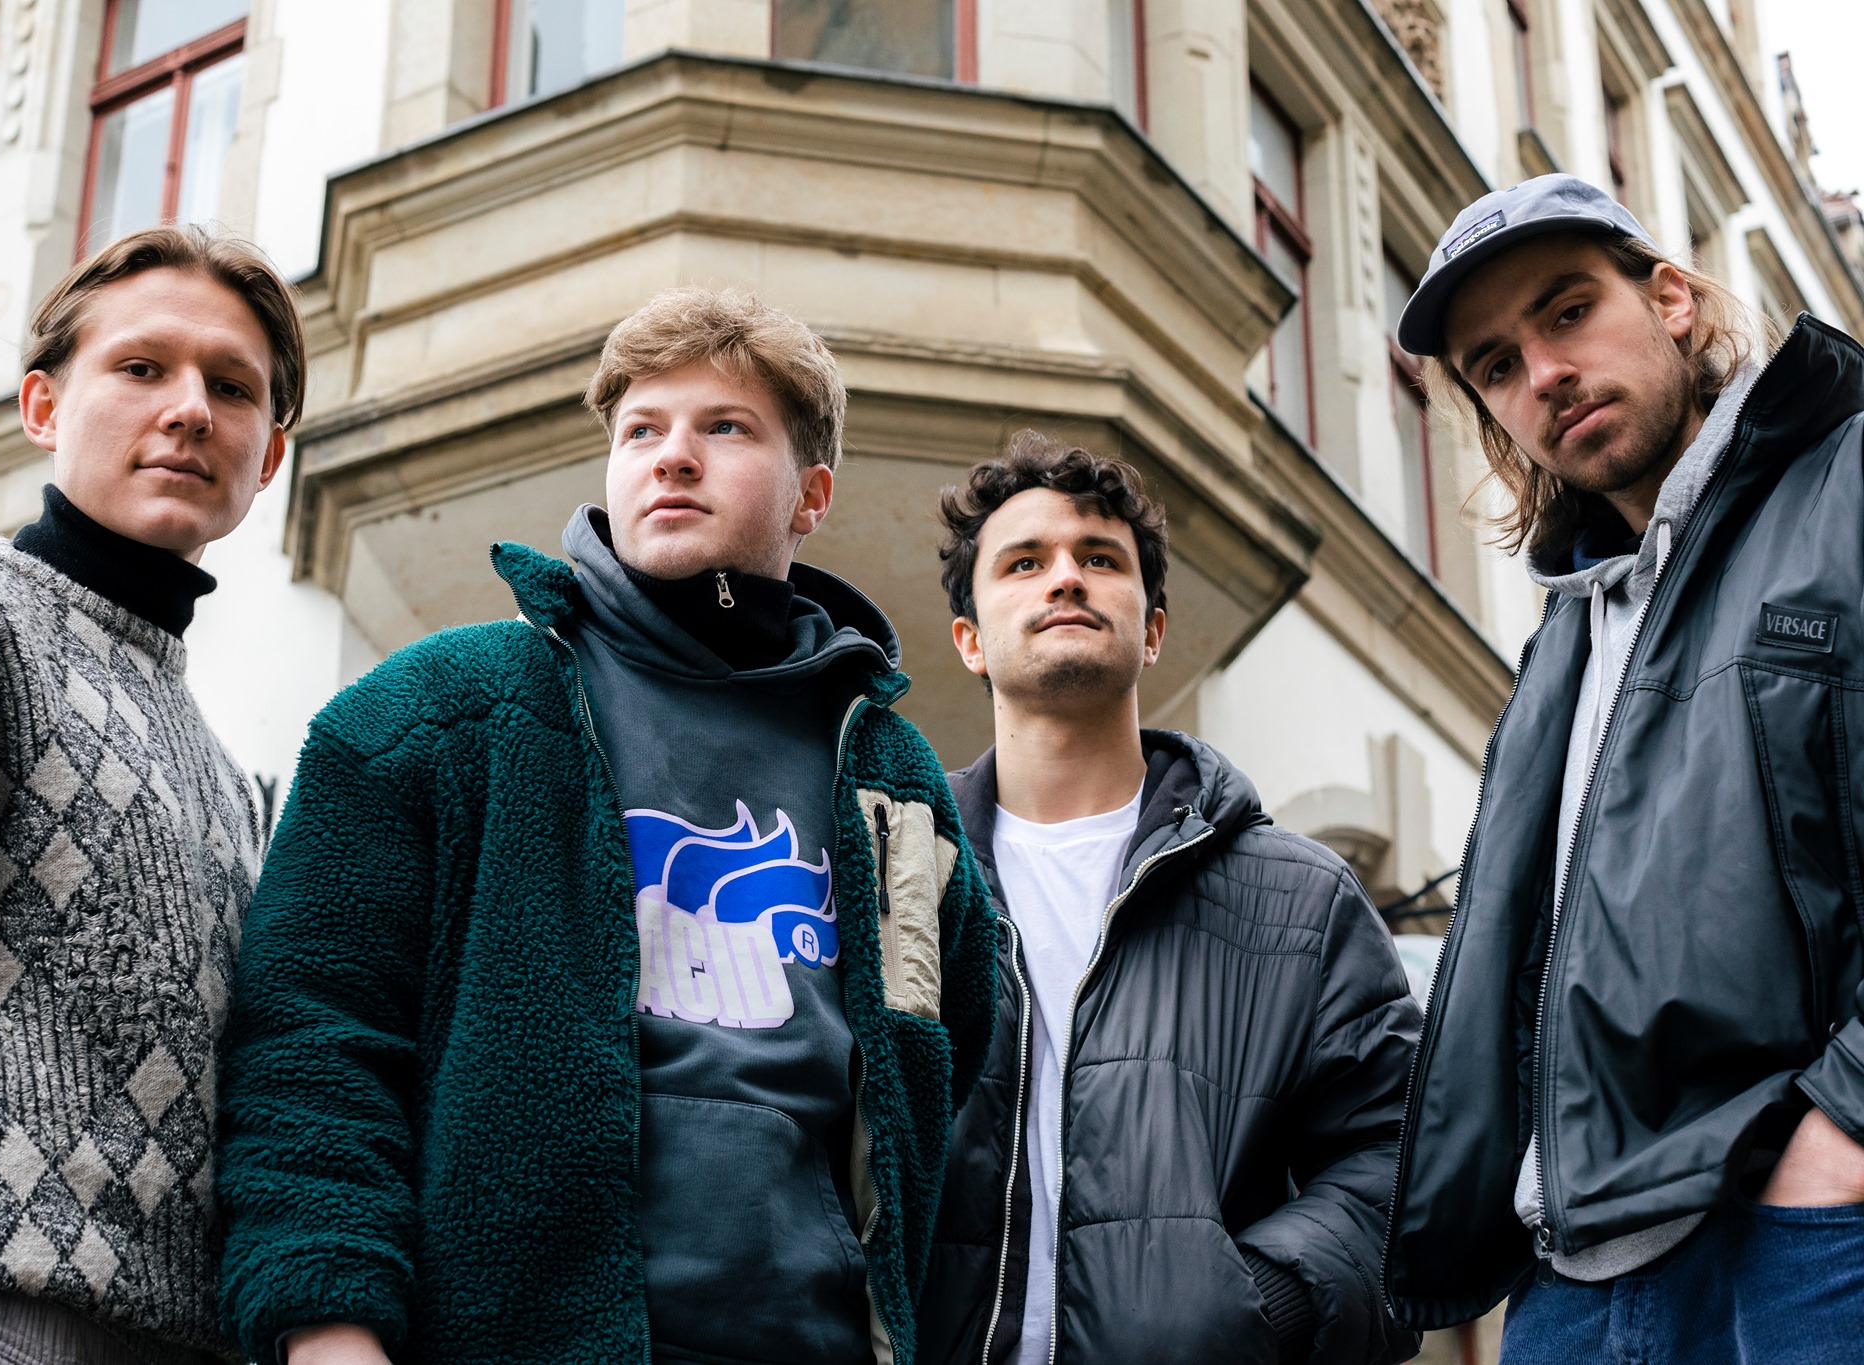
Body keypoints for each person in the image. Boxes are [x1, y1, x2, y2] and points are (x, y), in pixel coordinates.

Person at [217, 287, 998, 1365]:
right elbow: (312, 1046)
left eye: (725, 427)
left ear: (810, 495)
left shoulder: (893, 778)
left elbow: (945, 1078)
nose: (673, 456)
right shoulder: (434, 714)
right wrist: (329, 1335)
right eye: (641, 430)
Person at [1384, 174, 1864, 1362]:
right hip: (1569, 1286)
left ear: (1668, 300)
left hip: (1797, 1236)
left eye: (1566, 312)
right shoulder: (1565, 637)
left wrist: (1840, 1131)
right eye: (1496, 366)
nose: (1544, 374)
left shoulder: (1847, 483)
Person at [0, 225, 303, 1364]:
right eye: (142, 367)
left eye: (232, 387)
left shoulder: (231, 782)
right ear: (43, 405)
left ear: (269, 455)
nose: (190, 409)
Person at [917, 433, 1420, 1365]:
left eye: (1099, 558)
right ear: (971, 641)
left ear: (1152, 631)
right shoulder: (903, 877)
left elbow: (1401, 1156)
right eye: (1024, 562)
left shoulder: (1301, 899)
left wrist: (1258, 1306)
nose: (1065, 578)